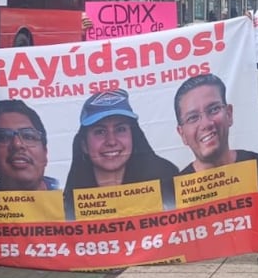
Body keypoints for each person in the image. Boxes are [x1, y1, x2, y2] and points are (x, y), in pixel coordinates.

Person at [63, 89, 179, 218]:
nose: (111, 141)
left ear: (133, 137)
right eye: (100, 132)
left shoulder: (167, 180)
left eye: (120, 129)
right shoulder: (67, 205)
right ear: (84, 145)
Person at [174, 73, 258, 175]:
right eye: (192, 118)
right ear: (182, 134)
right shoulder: (175, 188)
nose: (206, 124)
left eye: (214, 109)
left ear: (229, 114)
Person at [0, 100, 59, 191]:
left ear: (45, 152)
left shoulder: (64, 191)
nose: (17, 144)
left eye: (28, 136)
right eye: (4, 137)